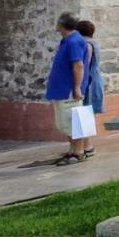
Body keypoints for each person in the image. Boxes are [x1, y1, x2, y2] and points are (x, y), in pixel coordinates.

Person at [46, 12, 88, 165]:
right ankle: (72, 149)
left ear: (61, 25)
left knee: (72, 121)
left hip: (68, 89)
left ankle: (78, 151)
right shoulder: (68, 40)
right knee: (64, 122)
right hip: (61, 88)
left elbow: (78, 65)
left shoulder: (74, 41)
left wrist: (76, 87)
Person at [76, 20, 104, 160]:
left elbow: (84, 67)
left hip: (89, 82)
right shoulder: (91, 42)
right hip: (93, 80)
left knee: (84, 113)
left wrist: (79, 86)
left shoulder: (86, 45)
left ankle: (87, 146)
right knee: (85, 113)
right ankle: (85, 145)